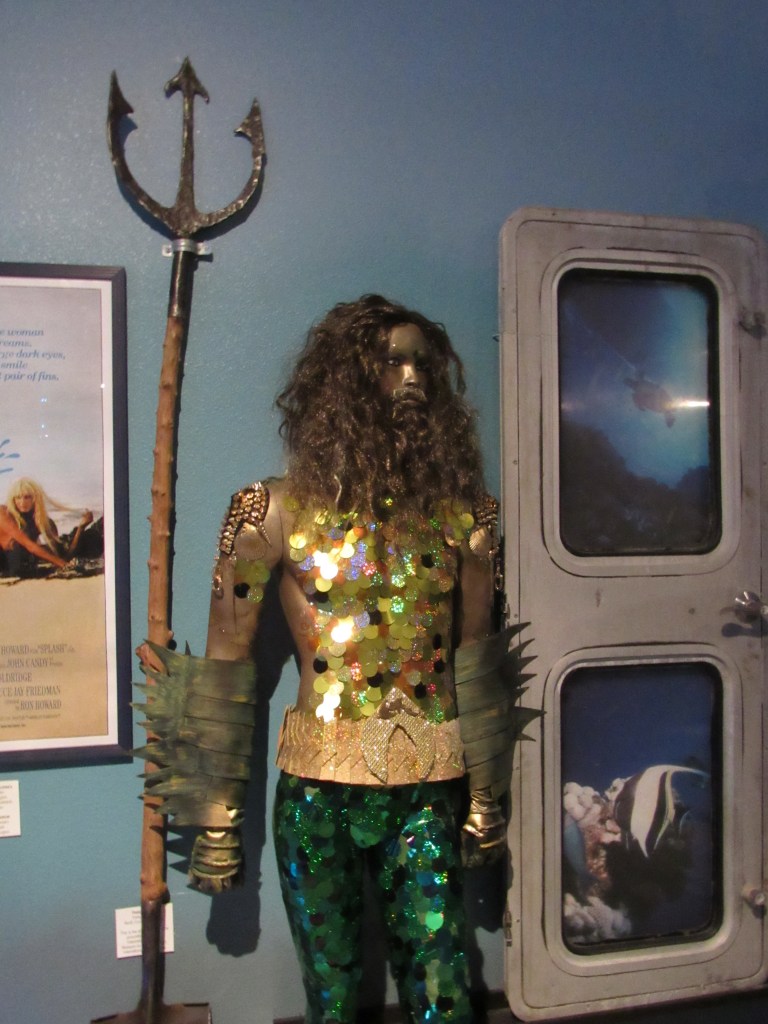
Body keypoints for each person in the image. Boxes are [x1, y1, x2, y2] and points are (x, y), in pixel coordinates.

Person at [138, 295, 530, 1024]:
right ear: (347, 380)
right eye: (392, 362)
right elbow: (228, 663)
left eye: (422, 365)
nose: (411, 380)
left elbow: (476, 656)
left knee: (443, 986)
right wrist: (217, 817)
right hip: (318, 790)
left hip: (428, 787)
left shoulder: (467, 516)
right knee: (333, 994)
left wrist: (485, 794)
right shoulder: (269, 511)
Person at [3, 477, 96, 576]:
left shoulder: (42, 522)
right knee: (17, 546)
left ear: (35, 498)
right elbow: (28, 544)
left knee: (91, 537)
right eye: (18, 497)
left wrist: (81, 528)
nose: (22, 502)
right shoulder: (4, 513)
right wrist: (64, 565)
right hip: (5, 560)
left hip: (18, 566)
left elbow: (62, 557)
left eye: (27, 497)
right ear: (12, 499)